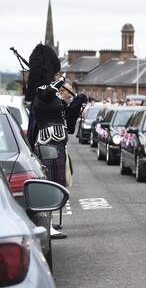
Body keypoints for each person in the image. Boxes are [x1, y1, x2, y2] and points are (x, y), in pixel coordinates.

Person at [25, 44, 87, 238]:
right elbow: (46, 92)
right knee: (50, 183)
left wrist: (77, 104)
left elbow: (65, 120)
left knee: (57, 182)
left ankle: (49, 223)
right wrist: (60, 81)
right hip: (47, 144)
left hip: (57, 142)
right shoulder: (42, 91)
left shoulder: (50, 93)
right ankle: (46, 225)